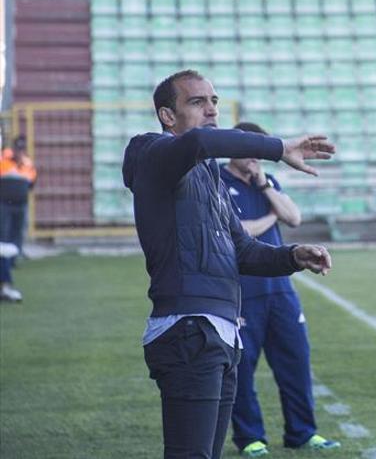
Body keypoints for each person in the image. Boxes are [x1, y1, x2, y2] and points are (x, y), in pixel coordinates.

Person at [122, 69, 336, 459]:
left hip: (220, 333)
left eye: (215, 101)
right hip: (190, 329)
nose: (211, 111)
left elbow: (243, 251)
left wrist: (292, 256)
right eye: (197, 102)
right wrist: (278, 147)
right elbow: (201, 141)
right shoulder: (150, 151)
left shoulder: (208, 176)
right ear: (168, 115)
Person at [219, 122, 340, 457]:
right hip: (243, 291)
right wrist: (273, 216)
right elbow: (239, 232)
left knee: (296, 362)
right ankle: (250, 438)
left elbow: (295, 217)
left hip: (281, 290)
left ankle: (302, 433)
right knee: (243, 369)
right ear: (231, 149)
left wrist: (265, 187)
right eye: (249, 147)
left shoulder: (266, 181)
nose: (256, 155)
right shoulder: (216, 181)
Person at [0, 135, 37, 303]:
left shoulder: (26, 162)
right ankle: (5, 269)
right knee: (4, 237)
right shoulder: (5, 158)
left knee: (17, 234)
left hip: (20, 203)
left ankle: (13, 261)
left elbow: (32, 180)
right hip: (5, 203)